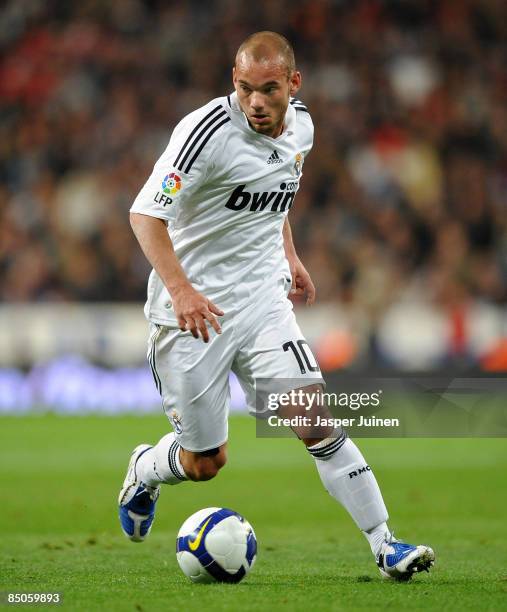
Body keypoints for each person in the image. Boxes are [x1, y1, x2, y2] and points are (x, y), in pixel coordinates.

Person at [119, 31, 434, 580]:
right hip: (193, 318)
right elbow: (145, 215)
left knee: (316, 421)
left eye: (268, 89)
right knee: (205, 462)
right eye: (244, 89)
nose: (255, 102)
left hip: (263, 304)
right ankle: (146, 469)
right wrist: (182, 290)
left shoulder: (303, 125)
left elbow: (277, 188)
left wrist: (289, 254)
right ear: (233, 83)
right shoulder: (204, 133)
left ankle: (387, 545)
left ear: (293, 83)